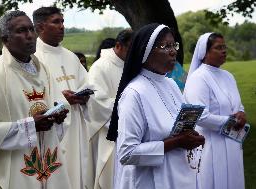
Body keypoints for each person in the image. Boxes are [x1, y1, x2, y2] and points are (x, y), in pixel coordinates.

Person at [0, 10, 71, 189]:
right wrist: (30, 125)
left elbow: (59, 104)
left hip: (48, 157)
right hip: (14, 166)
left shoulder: (43, 70)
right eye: (21, 31)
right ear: (5, 39)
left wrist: (58, 116)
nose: (30, 36)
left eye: (31, 29)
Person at [106, 23, 205, 189]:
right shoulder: (134, 93)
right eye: (165, 46)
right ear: (145, 52)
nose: (173, 51)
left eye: (174, 45)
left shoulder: (171, 84)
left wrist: (190, 134)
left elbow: (175, 127)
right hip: (149, 181)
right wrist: (177, 142)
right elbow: (127, 153)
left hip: (179, 175)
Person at [33, 7, 89, 189]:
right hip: (53, 129)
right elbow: (33, 96)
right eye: (56, 22)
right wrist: (62, 100)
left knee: (77, 174)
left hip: (77, 127)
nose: (62, 26)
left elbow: (88, 84)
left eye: (62, 22)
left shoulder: (71, 57)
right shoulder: (34, 58)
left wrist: (84, 96)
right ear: (40, 27)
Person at [184, 32, 246, 189]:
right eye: (218, 48)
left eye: (224, 47)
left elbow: (237, 105)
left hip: (232, 141)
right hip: (210, 145)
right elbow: (199, 116)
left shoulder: (228, 76)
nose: (224, 51)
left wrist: (241, 113)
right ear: (204, 53)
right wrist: (232, 121)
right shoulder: (198, 78)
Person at [85, 29, 133, 189]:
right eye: (131, 48)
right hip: (111, 135)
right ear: (119, 45)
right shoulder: (100, 67)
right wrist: (133, 108)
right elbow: (97, 102)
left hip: (132, 133)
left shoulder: (130, 65)